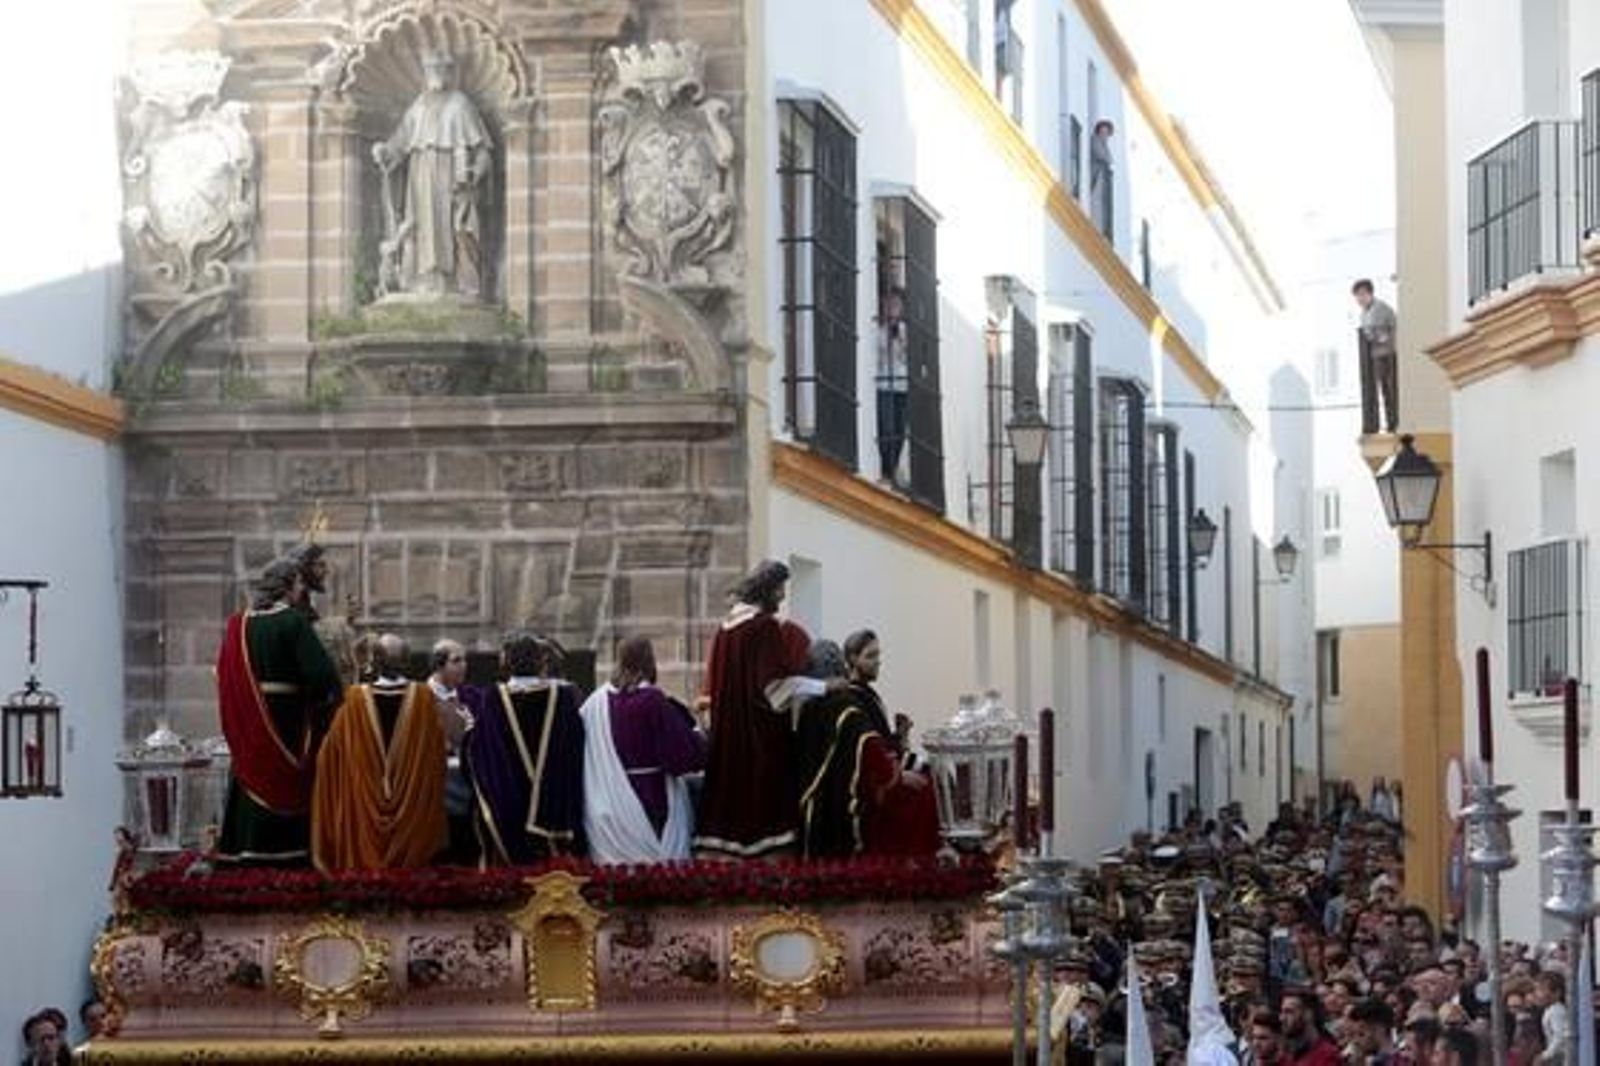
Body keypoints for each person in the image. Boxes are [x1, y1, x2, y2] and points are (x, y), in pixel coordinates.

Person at [695, 560, 834, 859]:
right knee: (765, 812)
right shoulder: (763, 628)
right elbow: (776, 689)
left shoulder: (724, 631)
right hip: (760, 740)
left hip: (729, 737)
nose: (782, 597)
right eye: (780, 589)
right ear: (767, 590)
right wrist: (823, 688)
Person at [215, 558, 343, 865]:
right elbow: (321, 675)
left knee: (250, 771)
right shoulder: (292, 621)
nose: (303, 591)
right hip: (288, 719)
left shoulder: (239, 623)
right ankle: (289, 853)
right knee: (287, 778)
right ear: (288, 586)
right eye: (300, 584)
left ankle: (245, 848)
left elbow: (223, 673)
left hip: (249, 716)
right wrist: (325, 706)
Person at [311, 633, 448, 872]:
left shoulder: (354, 700)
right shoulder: (423, 698)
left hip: (365, 811)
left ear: (374, 661)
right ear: (406, 661)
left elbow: (330, 755)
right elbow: (436, 756)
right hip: (411, 815)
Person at [794, 640, 940, 859]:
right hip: (849, 799)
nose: (878, 661)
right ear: (846, 663)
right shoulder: (845, 703)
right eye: (870, 655)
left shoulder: (807, 708)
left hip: (815, 802)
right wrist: (897, 777)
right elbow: (870, 746)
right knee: (925, 791)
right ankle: (915, 867)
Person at [373, 49, 492, 299]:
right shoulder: (419, 105)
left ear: (449, 72)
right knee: (417, 225)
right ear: (425, 73)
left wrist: (474, 173)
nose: (436, 73)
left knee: (453, 226)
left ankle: (453, 281)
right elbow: (401, 141)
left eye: (441, 68)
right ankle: (417, 280)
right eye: (431, 68)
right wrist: (385, 151)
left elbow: (483, 151)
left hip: (451, 175)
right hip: (420, 173)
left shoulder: (460, 104)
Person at [580, 636, 708, 864]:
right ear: (649, 662)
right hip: (653, 795)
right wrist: (701, 735)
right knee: (657, 869)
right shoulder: (652, 700)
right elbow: (683, 756)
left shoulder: (595, 702)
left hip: (607, 802)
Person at [465, 631, 586, 864]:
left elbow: (481, 752)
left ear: (507, 662)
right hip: (554, 800)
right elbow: (576, 748)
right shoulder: (562, 698)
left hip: (508, 800)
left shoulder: (493, 699)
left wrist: (469, 734)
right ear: (540, 661)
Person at [428, 639, 477, 864]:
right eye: (456, 661)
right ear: (438, 665)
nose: (464, 666)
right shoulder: (421, 698)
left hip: (467, 790)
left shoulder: (470, 697)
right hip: (435, 792)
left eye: (465, 660)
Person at [1352, 279, 1399, 434]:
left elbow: (1380, 335)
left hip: (1388, 354)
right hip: (1375, 356)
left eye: (1362, 294)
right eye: (1357, 296)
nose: (1360, 299)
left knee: (1389, 390)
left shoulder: (1379, 309)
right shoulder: (1364, 313)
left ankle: (1393, 422)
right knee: (1383, 390)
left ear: (1370, 293)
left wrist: (1373, 336)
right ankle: (1389, 422)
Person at [875, 286, 910, 485]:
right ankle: (886, 468)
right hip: (884, 386)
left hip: (902, 386)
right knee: (886, 428)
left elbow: (908, 357)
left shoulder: (905, 330)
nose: (892, 308)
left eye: (896, 304)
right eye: (888, 304)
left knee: (899, 430)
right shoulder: (878, 329)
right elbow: (879, 355)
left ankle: (893, 467)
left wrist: (901, 339)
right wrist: (888, 336)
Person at [1280, 988, 1341, 1066]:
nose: (1282, 1018)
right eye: (1282, 1012)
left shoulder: (1328, 1056)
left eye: (1289, 1012)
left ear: (1308, 1014)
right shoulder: (1285, 1056)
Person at [1089, 118, 1115, 238]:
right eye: (1104, 132)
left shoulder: (1105, 145)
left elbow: (1110, 159)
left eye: (1107, 133)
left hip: (1100, 176)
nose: (1105, 135)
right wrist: (1107, 158)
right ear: (1099, 131)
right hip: (1095, 173)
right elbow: (1103, 156)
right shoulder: (1095, 140)